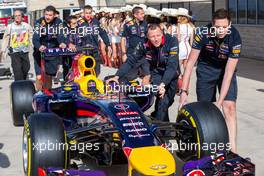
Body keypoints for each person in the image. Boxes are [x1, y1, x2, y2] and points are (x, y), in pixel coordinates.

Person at [179, 9, 242, 153]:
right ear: (212, 24)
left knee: (230, 107)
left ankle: (233, 151)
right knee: (206, 111)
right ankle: (208, 149)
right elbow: (190, 64)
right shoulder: (202, 33)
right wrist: (184, 91)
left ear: (230, 24)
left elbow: (228, 72)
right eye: (217, 27)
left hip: (225, 69)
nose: (221, 30)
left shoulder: (235, 37)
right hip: (206, 69)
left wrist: (219, 102)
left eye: (224, 27)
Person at [107, 24, 180, 122]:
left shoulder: (172, 41)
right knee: (163, 100)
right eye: (152, 37)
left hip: (172, 73)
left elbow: (172, 66)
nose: (156, 39)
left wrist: (164, 83)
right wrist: (117, 76)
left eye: (158, 35)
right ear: (147, 37)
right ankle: (162, 130)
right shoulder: (143, 44)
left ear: (162, 34)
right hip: (156, 73)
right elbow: (130, 61)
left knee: (169, 101)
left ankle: (155, 115)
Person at [33, 5, 66, 90]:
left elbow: (61, 35)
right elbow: (35, 38)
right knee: (39, 76)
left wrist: (62, 42)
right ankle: (39, 94)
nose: (47, 17)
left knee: (48, 76)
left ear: (54, 15)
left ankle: (47, 94)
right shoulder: (39, 22)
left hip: (52, 53)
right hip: (39, 53)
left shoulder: (59, 22)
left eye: (50, 15)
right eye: (46, 14)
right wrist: (39, 46)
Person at [78, 5, 112, 76]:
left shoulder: (96, 22)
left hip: (95, 49)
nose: (88, 15)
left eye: (89, 13)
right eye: (86, 13)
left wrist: (108, 45)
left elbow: (103, 33)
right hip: (84, 50)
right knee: (87, 71)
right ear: (83, 13)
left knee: (97, 71)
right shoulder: (79, 23)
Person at [1, 9, 32, 81]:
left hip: (25, 51)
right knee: (17, 69)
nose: (17, 17)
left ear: (22, 17)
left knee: (26, 67)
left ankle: (23, 81)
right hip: (14, 52)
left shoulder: (27, 26)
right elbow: (5, 39)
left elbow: (31, 36)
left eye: (19, 15)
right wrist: (3, 50)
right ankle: (19, 84)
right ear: (13, 17)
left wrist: (35, 46)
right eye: (15, 16)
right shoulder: (10, 26)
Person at [120, 6, 148, 82]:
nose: (143, 15)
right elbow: (123, 39)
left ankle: (145, 90)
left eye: (143, 13)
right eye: (141, 14)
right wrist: (123, 53)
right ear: (135, 15)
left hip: (143, 53)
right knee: (130, 75)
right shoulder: (128, 25)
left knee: (147, 74)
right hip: (132, 53)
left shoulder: (145, 24)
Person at [176, 9, 194, 76]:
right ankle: (185, 80)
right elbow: (191, 40)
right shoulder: (191, 26)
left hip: (180, 47)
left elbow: (179, 39)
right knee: (186, 66)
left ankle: (178, 80)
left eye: (179, 16)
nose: (178, 17)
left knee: (178, 66)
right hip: (188, 47)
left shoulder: (179, 26)